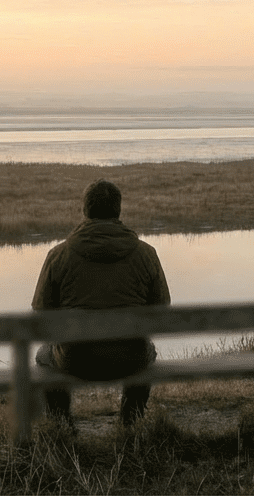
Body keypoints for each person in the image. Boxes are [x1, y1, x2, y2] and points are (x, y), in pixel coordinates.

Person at [31, 179, 171, 426]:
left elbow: (42, 313)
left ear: (85, 211)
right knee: (145, 351)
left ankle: (61, 424)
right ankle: (130, 422)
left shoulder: (58, 255)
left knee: (44, 355)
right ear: (118, 210)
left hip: (76, 359)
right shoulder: (146, 254)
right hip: (130, 357)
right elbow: (161, 309)